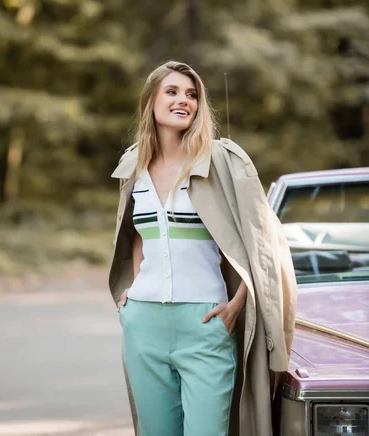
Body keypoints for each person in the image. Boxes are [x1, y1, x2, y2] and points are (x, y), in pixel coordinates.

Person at [109, 61, 297, 436]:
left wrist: (238, 303)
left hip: (205, 323)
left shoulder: (223, 161)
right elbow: (135, 233)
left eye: (192, 94)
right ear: (151, 102)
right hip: (143, 325)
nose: (184, 100)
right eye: (173, 92)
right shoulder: (134, 166)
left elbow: (260, 243)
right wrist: (133, 294)